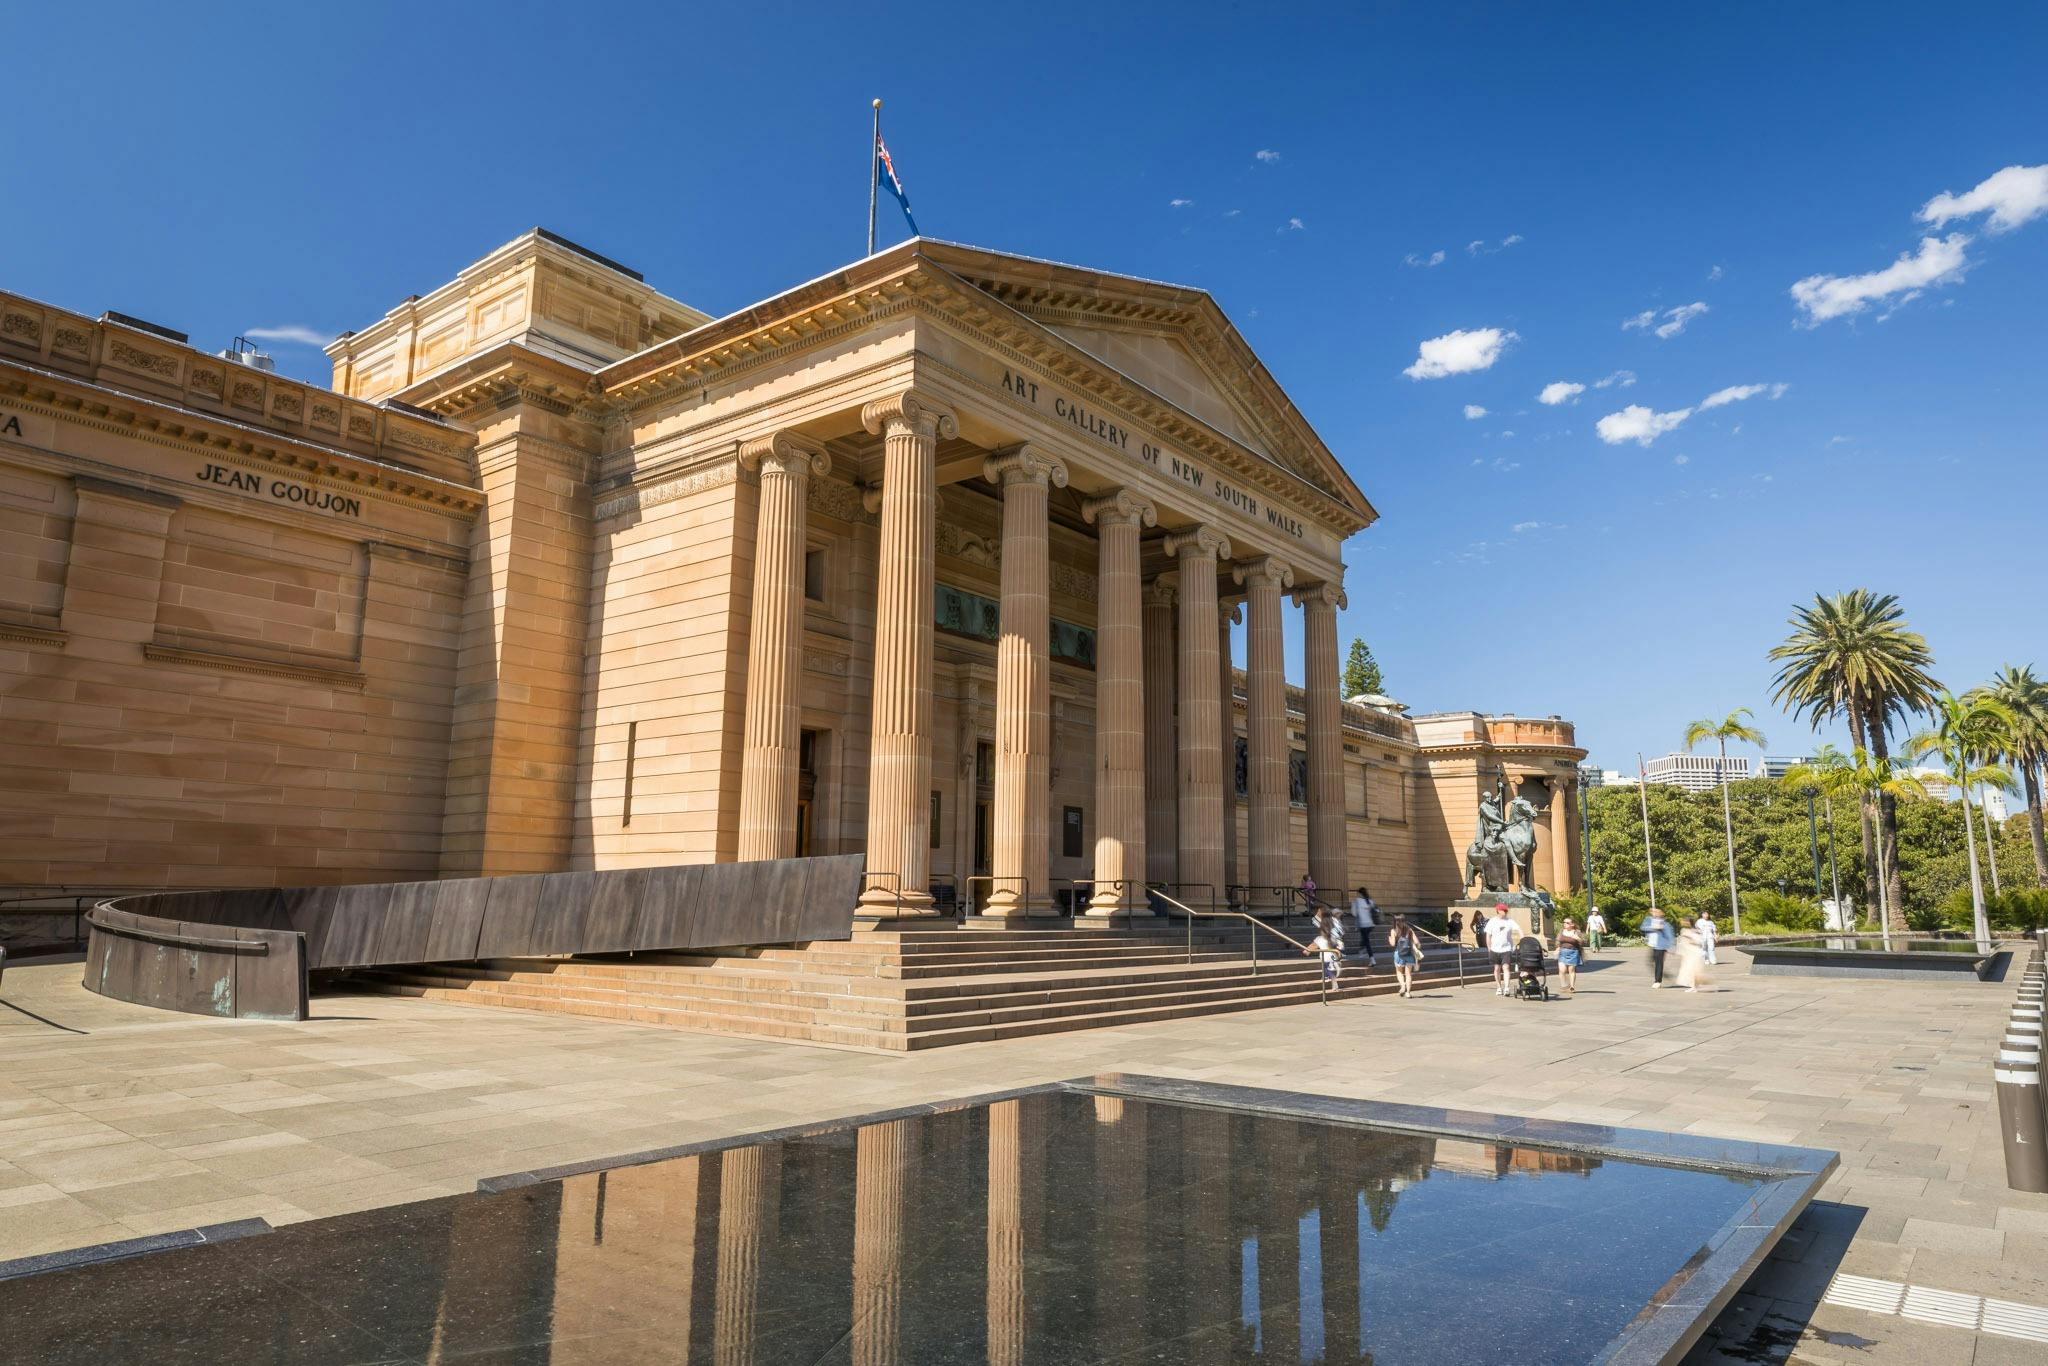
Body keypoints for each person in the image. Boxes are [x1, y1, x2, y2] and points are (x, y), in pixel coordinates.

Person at [1485, 902, 1521, 996]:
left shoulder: (1509, 921)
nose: (1505, 912)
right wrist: (1489, 948)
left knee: (1506, 967)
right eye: (1503, 910)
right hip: (1495, 948)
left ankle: (1506, 988)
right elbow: (1488, 935)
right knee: (1497, 968)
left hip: (1506, 948)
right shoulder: (1492, 921)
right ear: (1498, 911)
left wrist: (1523, 938)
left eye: (1506, 910)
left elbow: (1518, 929)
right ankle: (1498, 987)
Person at [1303, 907, 1344, 989]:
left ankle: (1333, 980)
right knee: (1327, 964)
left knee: (1326, 967)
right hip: (1331, 944)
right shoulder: (1331, 921)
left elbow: (1318, 926)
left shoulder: (1324, 923)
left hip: (1327, 946)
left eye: (1319, 911)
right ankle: (1327, 975)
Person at [1675, 917, 1713, 992]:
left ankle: (1695, 986)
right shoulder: (1683, 931)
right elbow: (1681, 943)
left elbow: (1700, 941)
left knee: (1693, 970)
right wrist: (1680, 953)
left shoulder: (1695, 931)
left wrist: (1691, 940)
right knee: (1688, 970)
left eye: (1686, 922)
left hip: (1694, 952)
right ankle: (1693, 986)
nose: (1684, 923)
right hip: (1687, 953)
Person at [1643, 907, 1675, 987]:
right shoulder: (1649, 920)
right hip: (1652, 945)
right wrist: (1653, 928)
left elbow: (1670, 936)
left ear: (1661, 913)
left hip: (1660, 946)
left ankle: (1658, 981)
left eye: (1656, 912)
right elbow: (1643, 928)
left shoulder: (1665, 923)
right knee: (1649, 962)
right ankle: (1662, 974)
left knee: (1659, 963)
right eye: (1653, 912)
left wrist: (1670, 947)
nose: (1654, 913)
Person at [1350, 885, 1380, 967]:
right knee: (1365, 938)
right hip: (1371, 924)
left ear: (1359, 894)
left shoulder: (1356, 901)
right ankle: (1361, 950)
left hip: (1363, 924)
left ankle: (1372, 959)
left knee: (1366, 942)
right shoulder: (1370, 901)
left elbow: (1354, 913)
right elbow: (1377, 910)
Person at [1555, 916, 1584, 995]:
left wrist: (1578, 939)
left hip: (1573, 952)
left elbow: (1582, 943)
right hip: (1562, 952)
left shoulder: (1577, 932)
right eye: (1564, 922)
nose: (1565, 924)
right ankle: (1564, 985)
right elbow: (1558, 941)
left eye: (1567, 923)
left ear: (1572, 924)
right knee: (1562, 970)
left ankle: (1572, 987)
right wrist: (1557, 948)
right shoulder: (1561, 931)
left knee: (1571, 970)